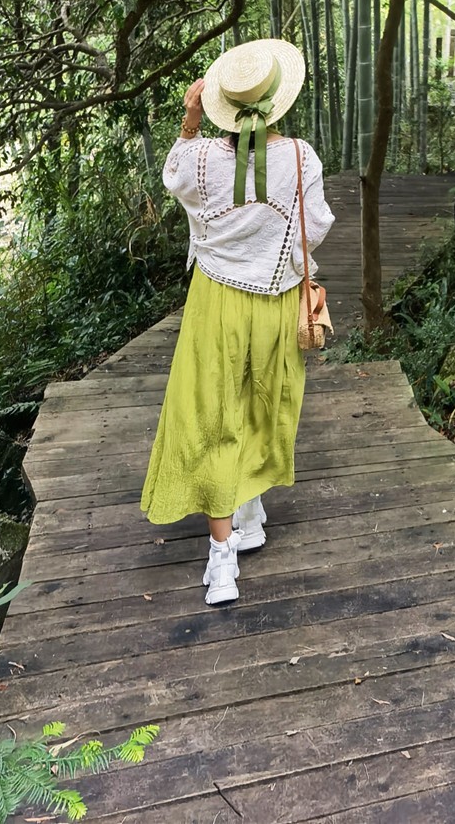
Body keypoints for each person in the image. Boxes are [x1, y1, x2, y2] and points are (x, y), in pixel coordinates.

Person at [140, 37, 334, 606]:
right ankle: (246, 515)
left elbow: (174, 176)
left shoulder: (201, 159)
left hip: (215, 303)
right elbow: (315, 227)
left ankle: (224, 558)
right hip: (276, 301)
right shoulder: (301, 157)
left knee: (212, 414)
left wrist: (188, 119)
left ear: (223, 104)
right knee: (260, 403)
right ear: (278, 102)